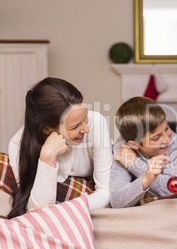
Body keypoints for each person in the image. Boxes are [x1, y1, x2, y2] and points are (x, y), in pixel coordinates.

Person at [7, 77, 112, 218]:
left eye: (85, 117)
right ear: (47, 129)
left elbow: (105, 192)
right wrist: (47, 156)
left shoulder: (96, 123)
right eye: (75, 126)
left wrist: (63, 210)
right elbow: (36, 210)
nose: (86, 129)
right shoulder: (17, 145)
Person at [110, 96, 177, 208]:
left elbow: (173, 189)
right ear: (134, 144)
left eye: (167, 128)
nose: (167, 139)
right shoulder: (123, 153)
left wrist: (135, 165)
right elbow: (117, 201)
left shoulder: (173, 143)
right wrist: (146, 179)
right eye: (156, 138)